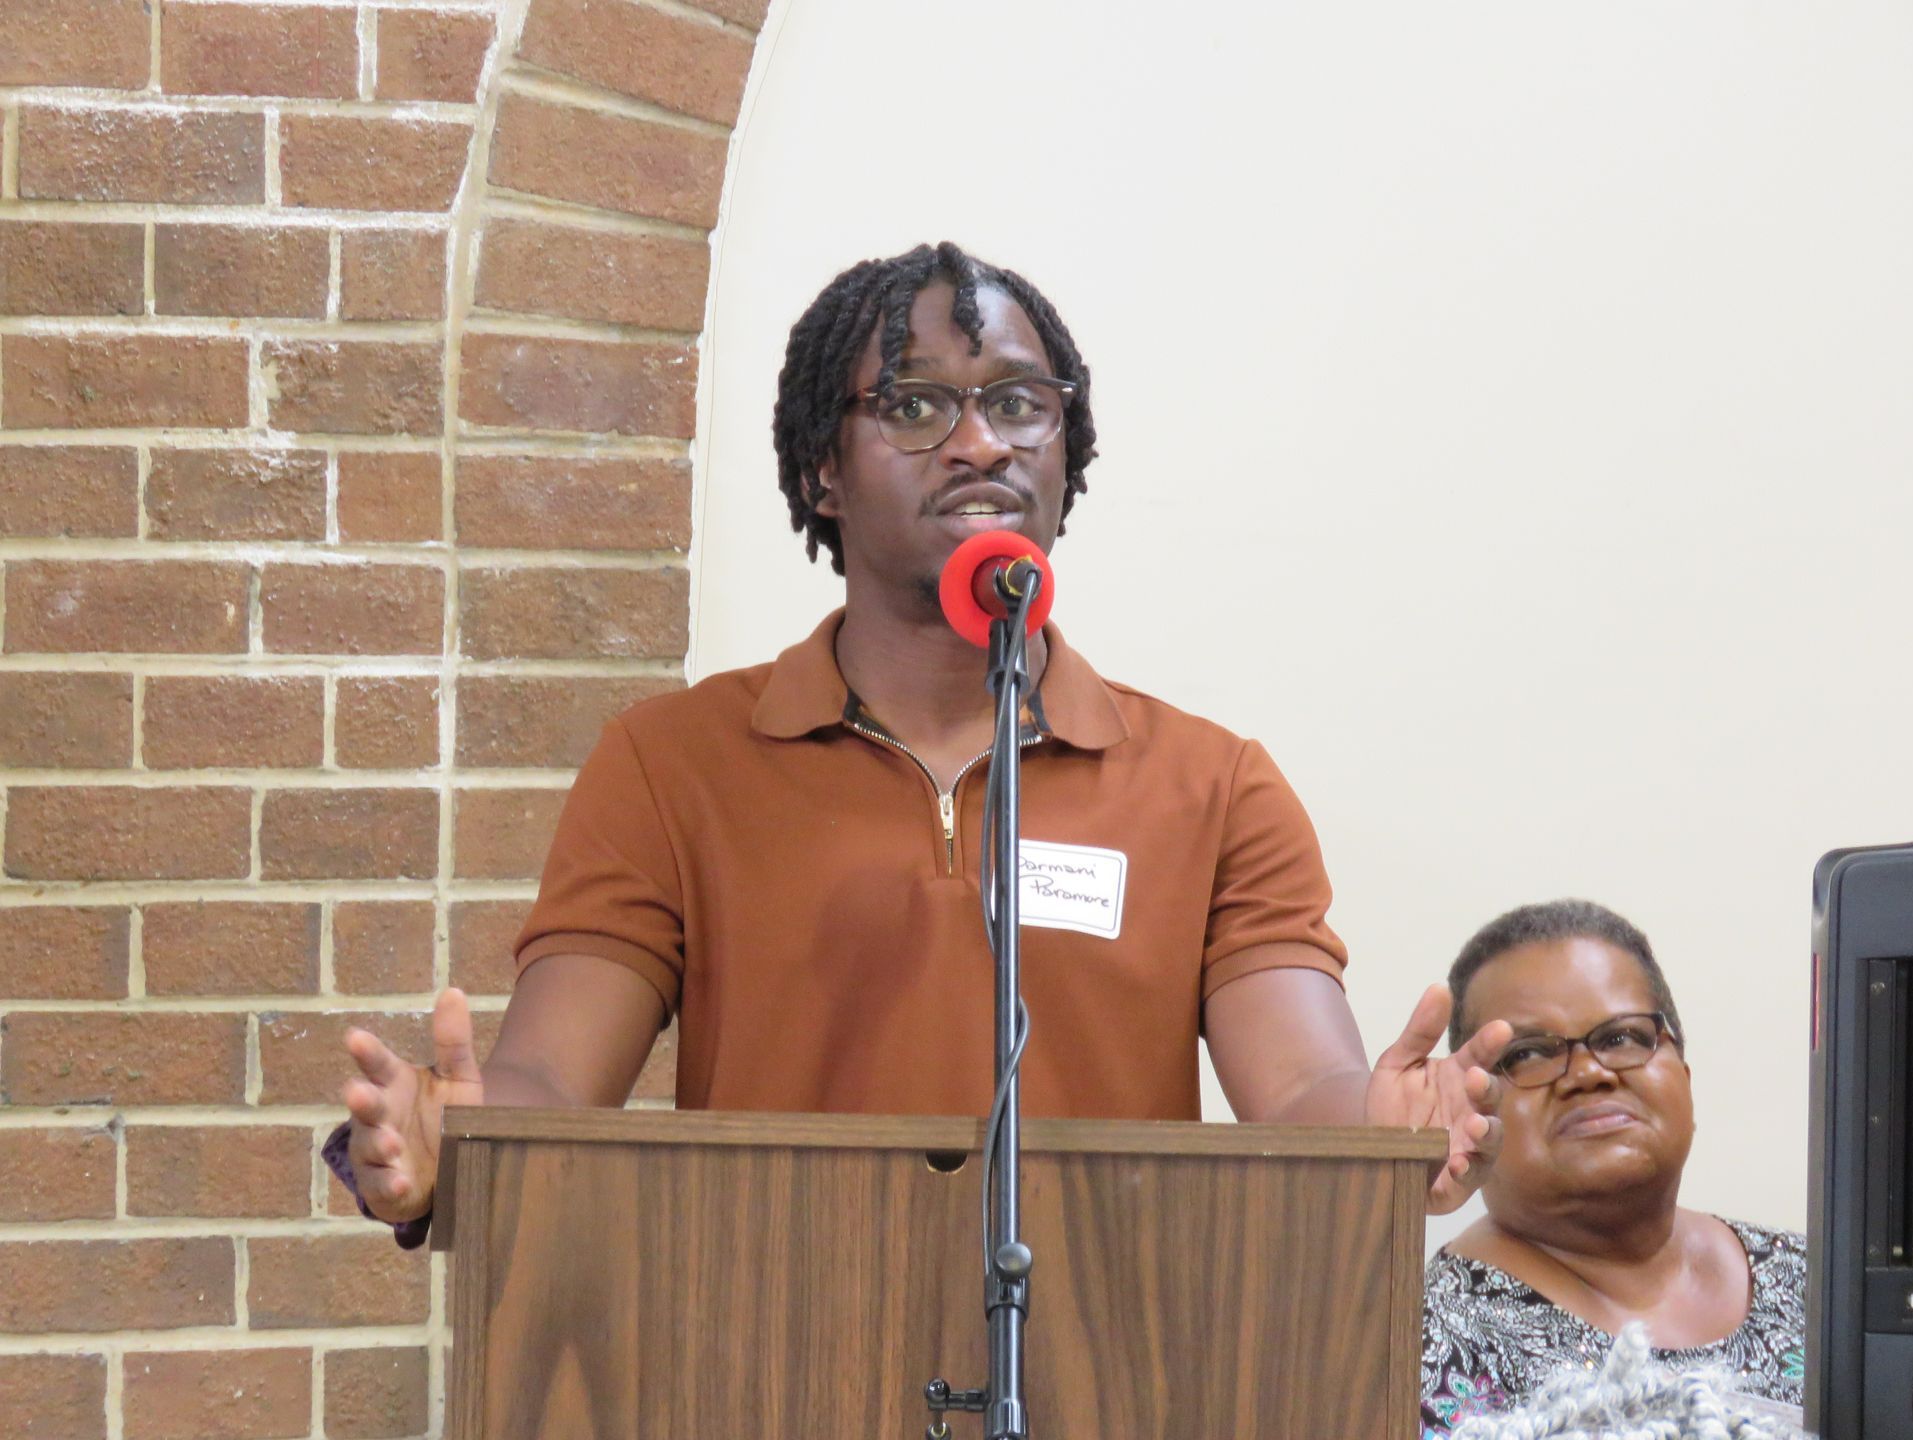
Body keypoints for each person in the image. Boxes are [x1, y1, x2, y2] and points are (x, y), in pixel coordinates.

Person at [335, 242, 1512, 1244]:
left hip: (1111, 1366)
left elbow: (1301, 1086)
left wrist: (1375, 1128)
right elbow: (554, 1083)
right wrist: (463, 1135)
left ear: (1065, 450)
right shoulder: (672, 763)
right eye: (912, 405)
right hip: (771, 1364)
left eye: (1017, 402)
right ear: (821, 472)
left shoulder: (1213, 785)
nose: (979, 443)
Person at [1419, 899, 1805, 1436]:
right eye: (1530, 1053)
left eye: (1620, 1037)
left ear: (1684, 1077)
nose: (1588, 1073)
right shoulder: (1427, 1343)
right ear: (1473, 1107)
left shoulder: (1821, 1284)